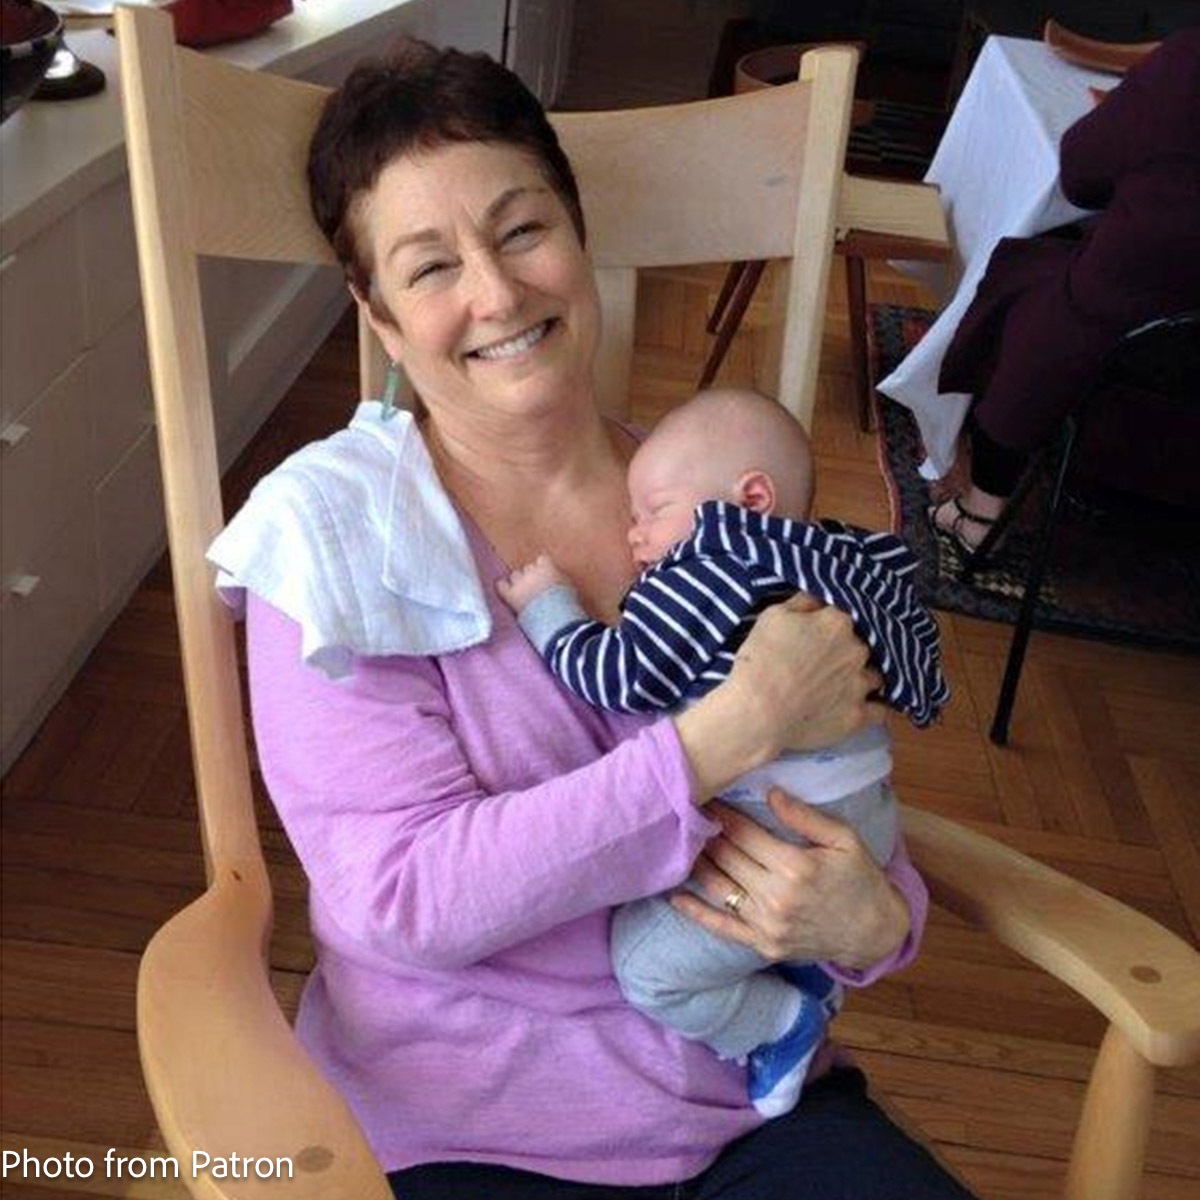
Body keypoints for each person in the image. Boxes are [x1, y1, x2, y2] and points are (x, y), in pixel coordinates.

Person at [208, 36, 977, 1199]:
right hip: (469, 1130)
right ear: (376, 314)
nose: (499, 292)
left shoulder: (714, 508)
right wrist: (722, 737)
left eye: (523, 230)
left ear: (576, 236)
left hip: (751, 1102)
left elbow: (841, 774)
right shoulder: (333, 541)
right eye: (429, 267)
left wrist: (880, 924)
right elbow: (399, 897)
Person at [497, 387, 949, 1120]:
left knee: (649, 969)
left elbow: (621, 676)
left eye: (653, 511)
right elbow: (921, 680)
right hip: (867, 820)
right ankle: (803, 977)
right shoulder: (846, 558)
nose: (637, 536)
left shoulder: (713, 561)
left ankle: (781, 1024)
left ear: (752, 497)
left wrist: (550, 608)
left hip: (776, 820)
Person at [930, 27, 1200, 552]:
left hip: (1121, 350)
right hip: (1173, 350)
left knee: (1024, 283)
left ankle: (981, 515)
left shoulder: (1190, 65)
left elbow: (1080, 172)